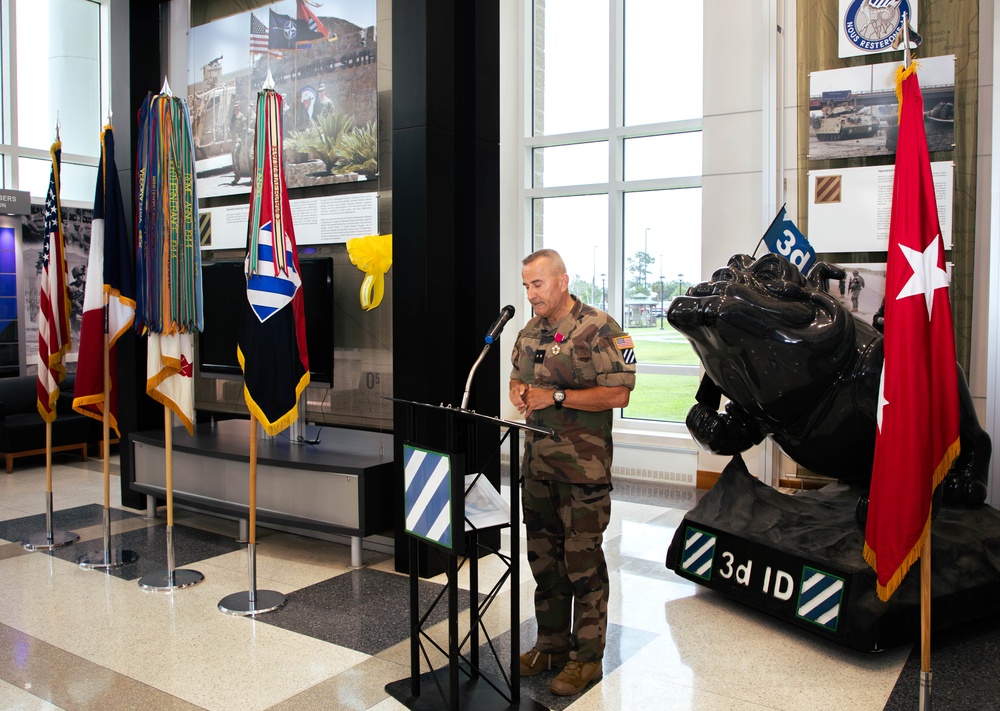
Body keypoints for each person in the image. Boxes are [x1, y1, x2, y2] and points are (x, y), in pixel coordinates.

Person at [509, 248, 636, 697]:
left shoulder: (601, 328)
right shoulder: (529, 331)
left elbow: (618, 394)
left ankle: (587, 660)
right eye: (526, 286)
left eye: (537, 284)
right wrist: (520, 391)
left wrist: (556, 398)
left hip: (582, 470)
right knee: (544, 563)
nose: (531, 294)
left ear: (562, 281)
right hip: (538, 467)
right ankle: (550, 645)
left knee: (582, 565)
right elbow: (516, 378)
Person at [229, 99, 247, 185]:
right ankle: (236, 174)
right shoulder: (233, 117)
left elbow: (244, 129)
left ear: (239, 108)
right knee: (233, 157)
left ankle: (238, 175)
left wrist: (243, 140)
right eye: (235, 108)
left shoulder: (241, 117)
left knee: (236, 156)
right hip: (233, 139)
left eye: (237, 107)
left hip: (238, 139)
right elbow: (231, 128)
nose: (236, 109)